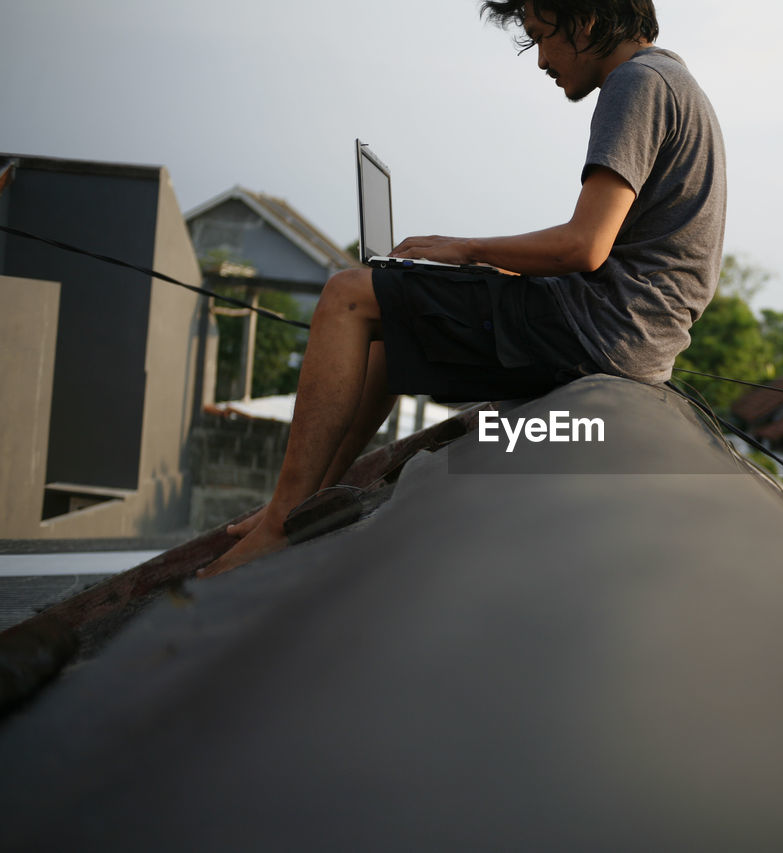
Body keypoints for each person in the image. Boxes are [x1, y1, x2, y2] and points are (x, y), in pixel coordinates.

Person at [201, 0, 727, 576]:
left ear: (588, 21)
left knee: (348, 295)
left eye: (537, 38)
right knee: (389, 313)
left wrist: (466, 249)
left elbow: (584, 245)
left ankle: (278, 525)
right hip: (622, 330)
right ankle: (301, 502)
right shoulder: (671, 79)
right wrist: (497, 273)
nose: (540, 61)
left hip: (602, 334)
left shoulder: (636, 83)